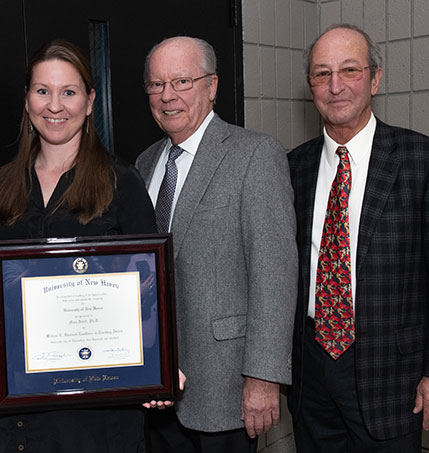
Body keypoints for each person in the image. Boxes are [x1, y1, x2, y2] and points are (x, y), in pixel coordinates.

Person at [287, 24, 429, 451]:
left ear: (375, 78)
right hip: (310, 372)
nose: (335, 86)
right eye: (322, 74)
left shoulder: (424, 160)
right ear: (311, 85)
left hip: (393, 377)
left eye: (350, 70)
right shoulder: (291, 167)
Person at [0, 39, 156, 453]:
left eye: (68, 92)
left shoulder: (121, 183)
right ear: (27, 100)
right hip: (22, 406)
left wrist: (155, 367)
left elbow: (151, 294)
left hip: (101, 410)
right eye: (42, 91)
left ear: (89, 101)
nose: (55, 105)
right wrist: (7, 361)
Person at [134, 36, 297, 452]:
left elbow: (274, 274)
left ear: (212, 86)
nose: (167, 96)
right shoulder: (146, 162)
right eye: (156, 85)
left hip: (224, 382)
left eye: (182, 81)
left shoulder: (255, 155)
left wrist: (263, 378)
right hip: (156, 384)